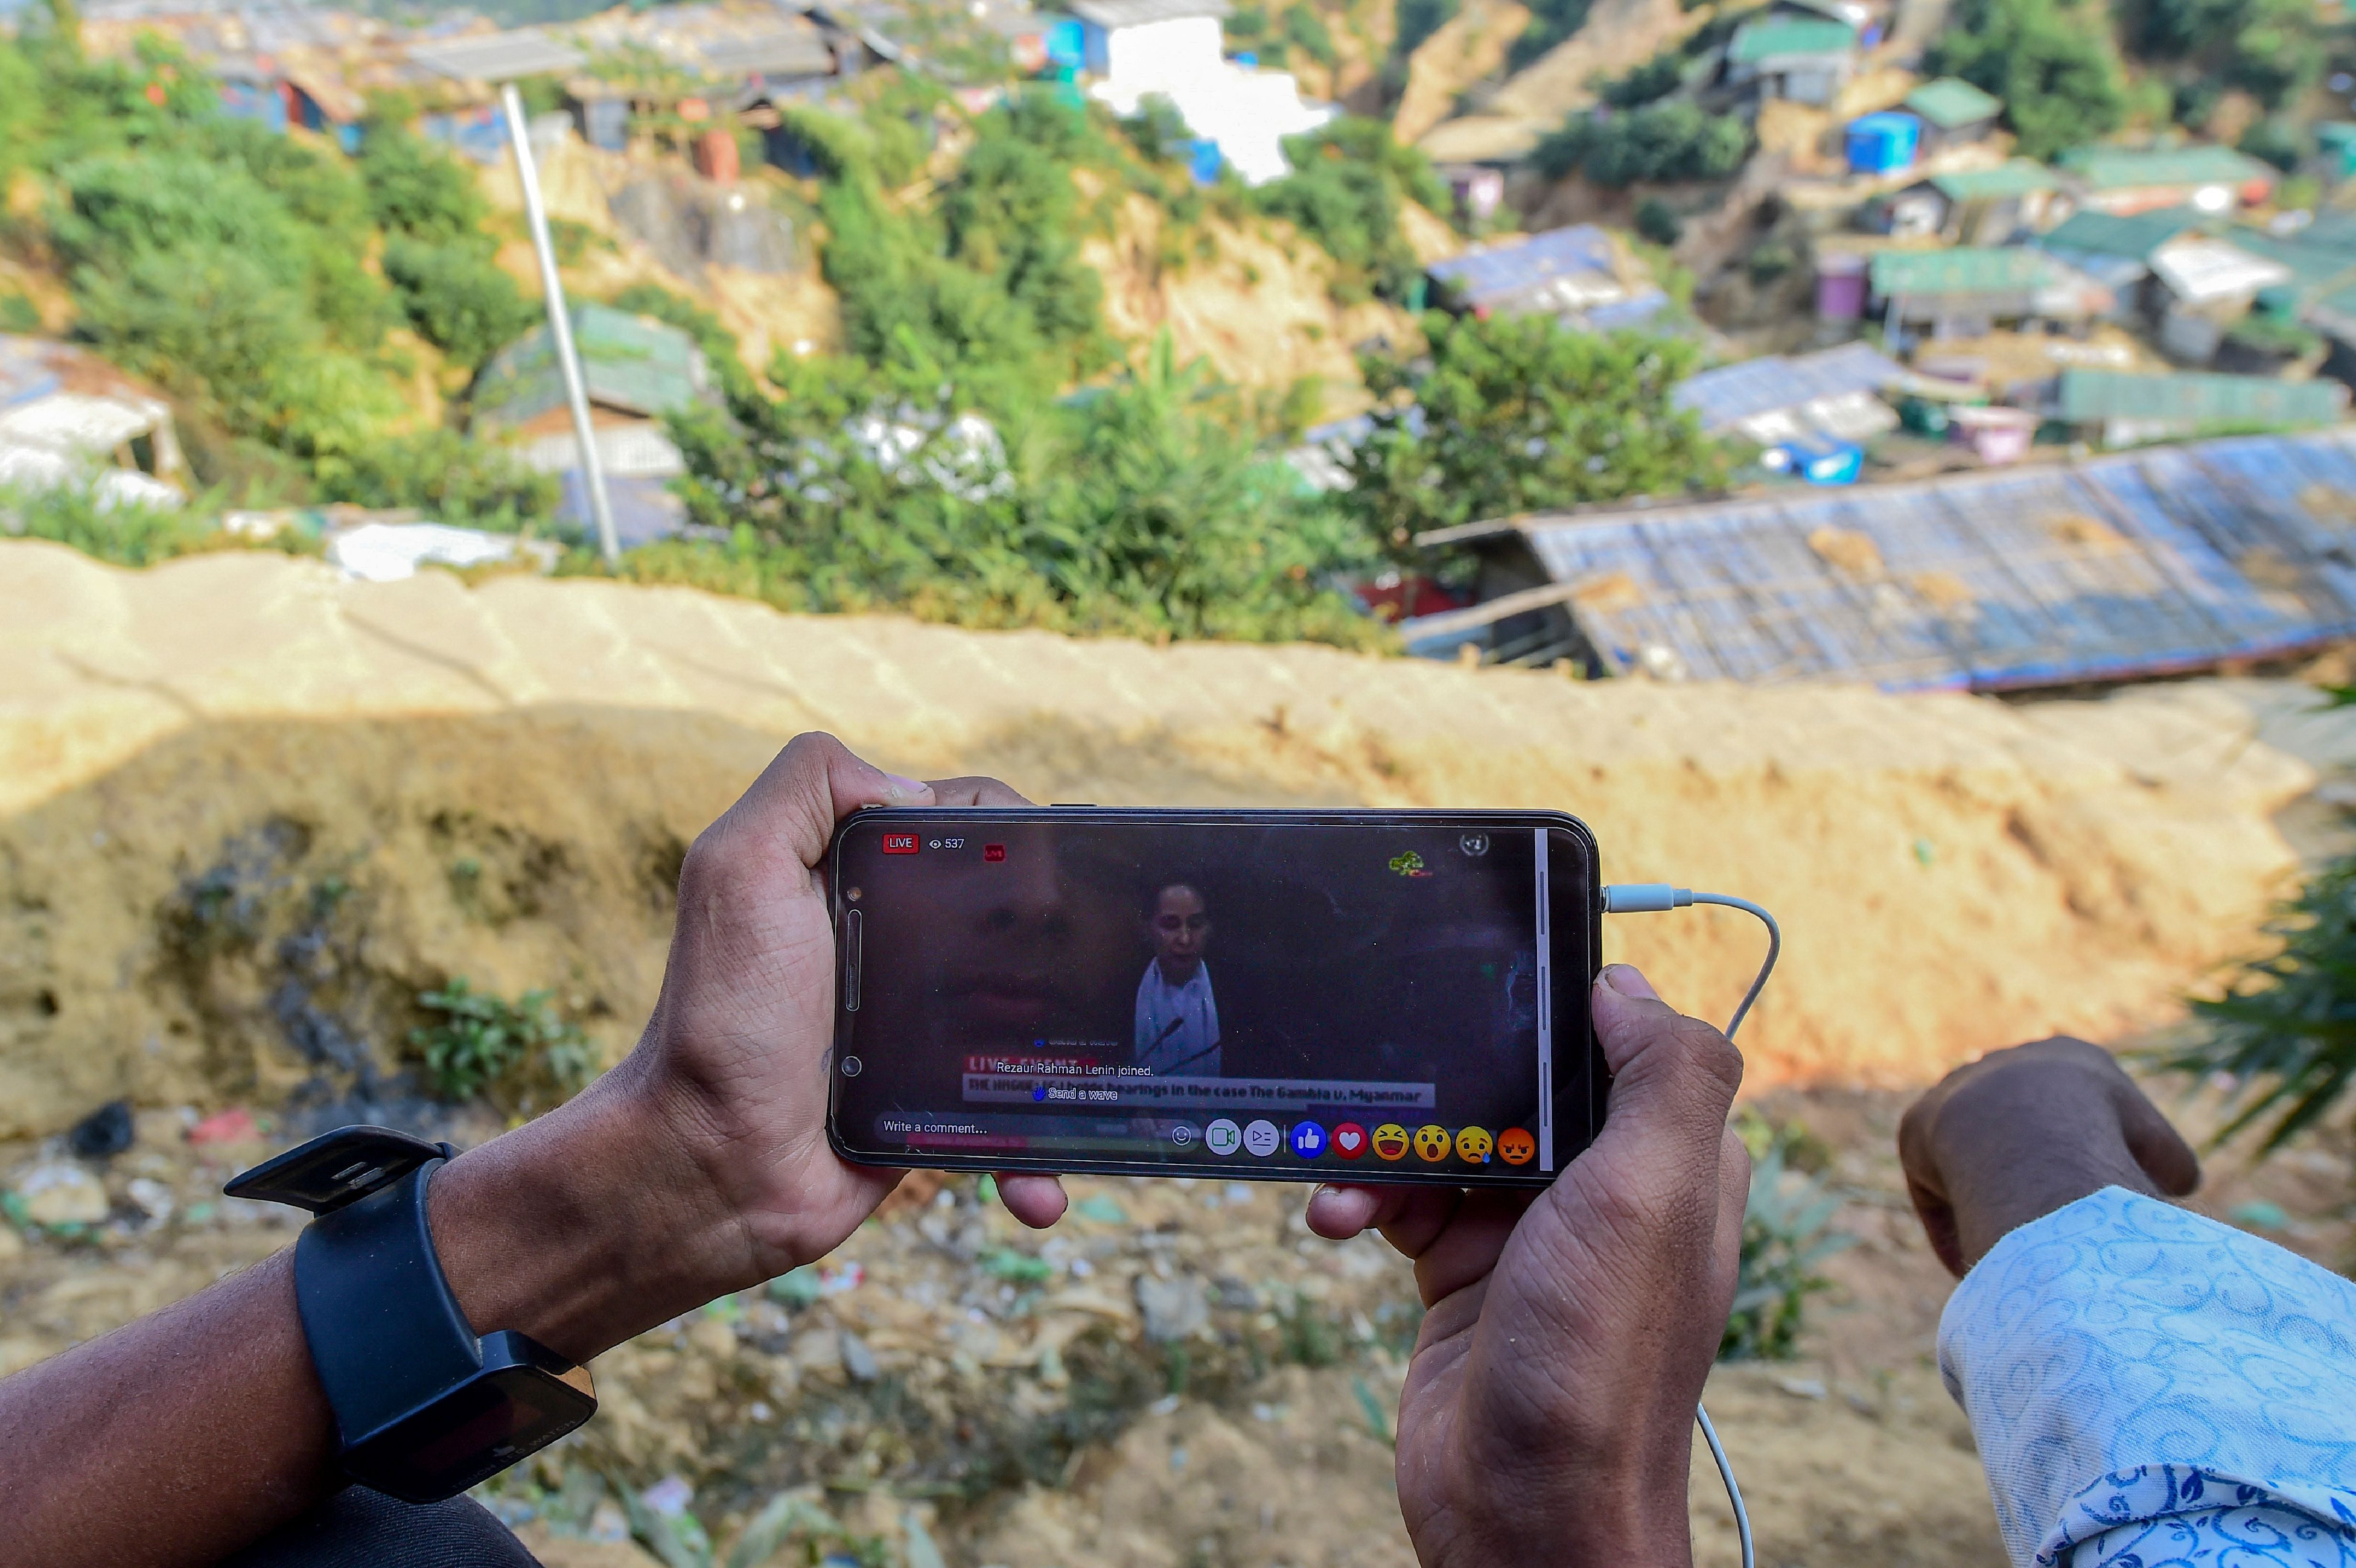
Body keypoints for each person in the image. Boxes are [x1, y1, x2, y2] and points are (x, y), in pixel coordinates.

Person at [0, 733, 2348, 1568]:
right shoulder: (1131, 1000)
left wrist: (647, 1187)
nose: (1193, 929)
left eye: (1211, 915)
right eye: (1184, 914)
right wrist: (1568, 1517)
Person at [1134, 882, 1219, 1076]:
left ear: (1209, 928)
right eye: (1171, 926)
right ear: (1148, 929)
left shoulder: (1241, 999)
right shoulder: (1116, 994)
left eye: (1195, 925)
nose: (1185, 940)